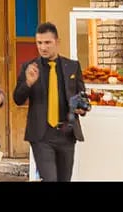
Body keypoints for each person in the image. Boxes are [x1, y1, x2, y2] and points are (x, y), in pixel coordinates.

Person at [12, 21, 88, 182]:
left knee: (64, 179)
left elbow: (82, 95)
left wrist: (82, 108)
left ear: (57, 42)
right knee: (50, 179)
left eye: (47, 42)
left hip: (67, 134)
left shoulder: (72, 67)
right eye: (39, 43)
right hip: (41, 135)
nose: (43, 47)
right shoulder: (30, 67)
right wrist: (28, 83)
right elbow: (17, 99)